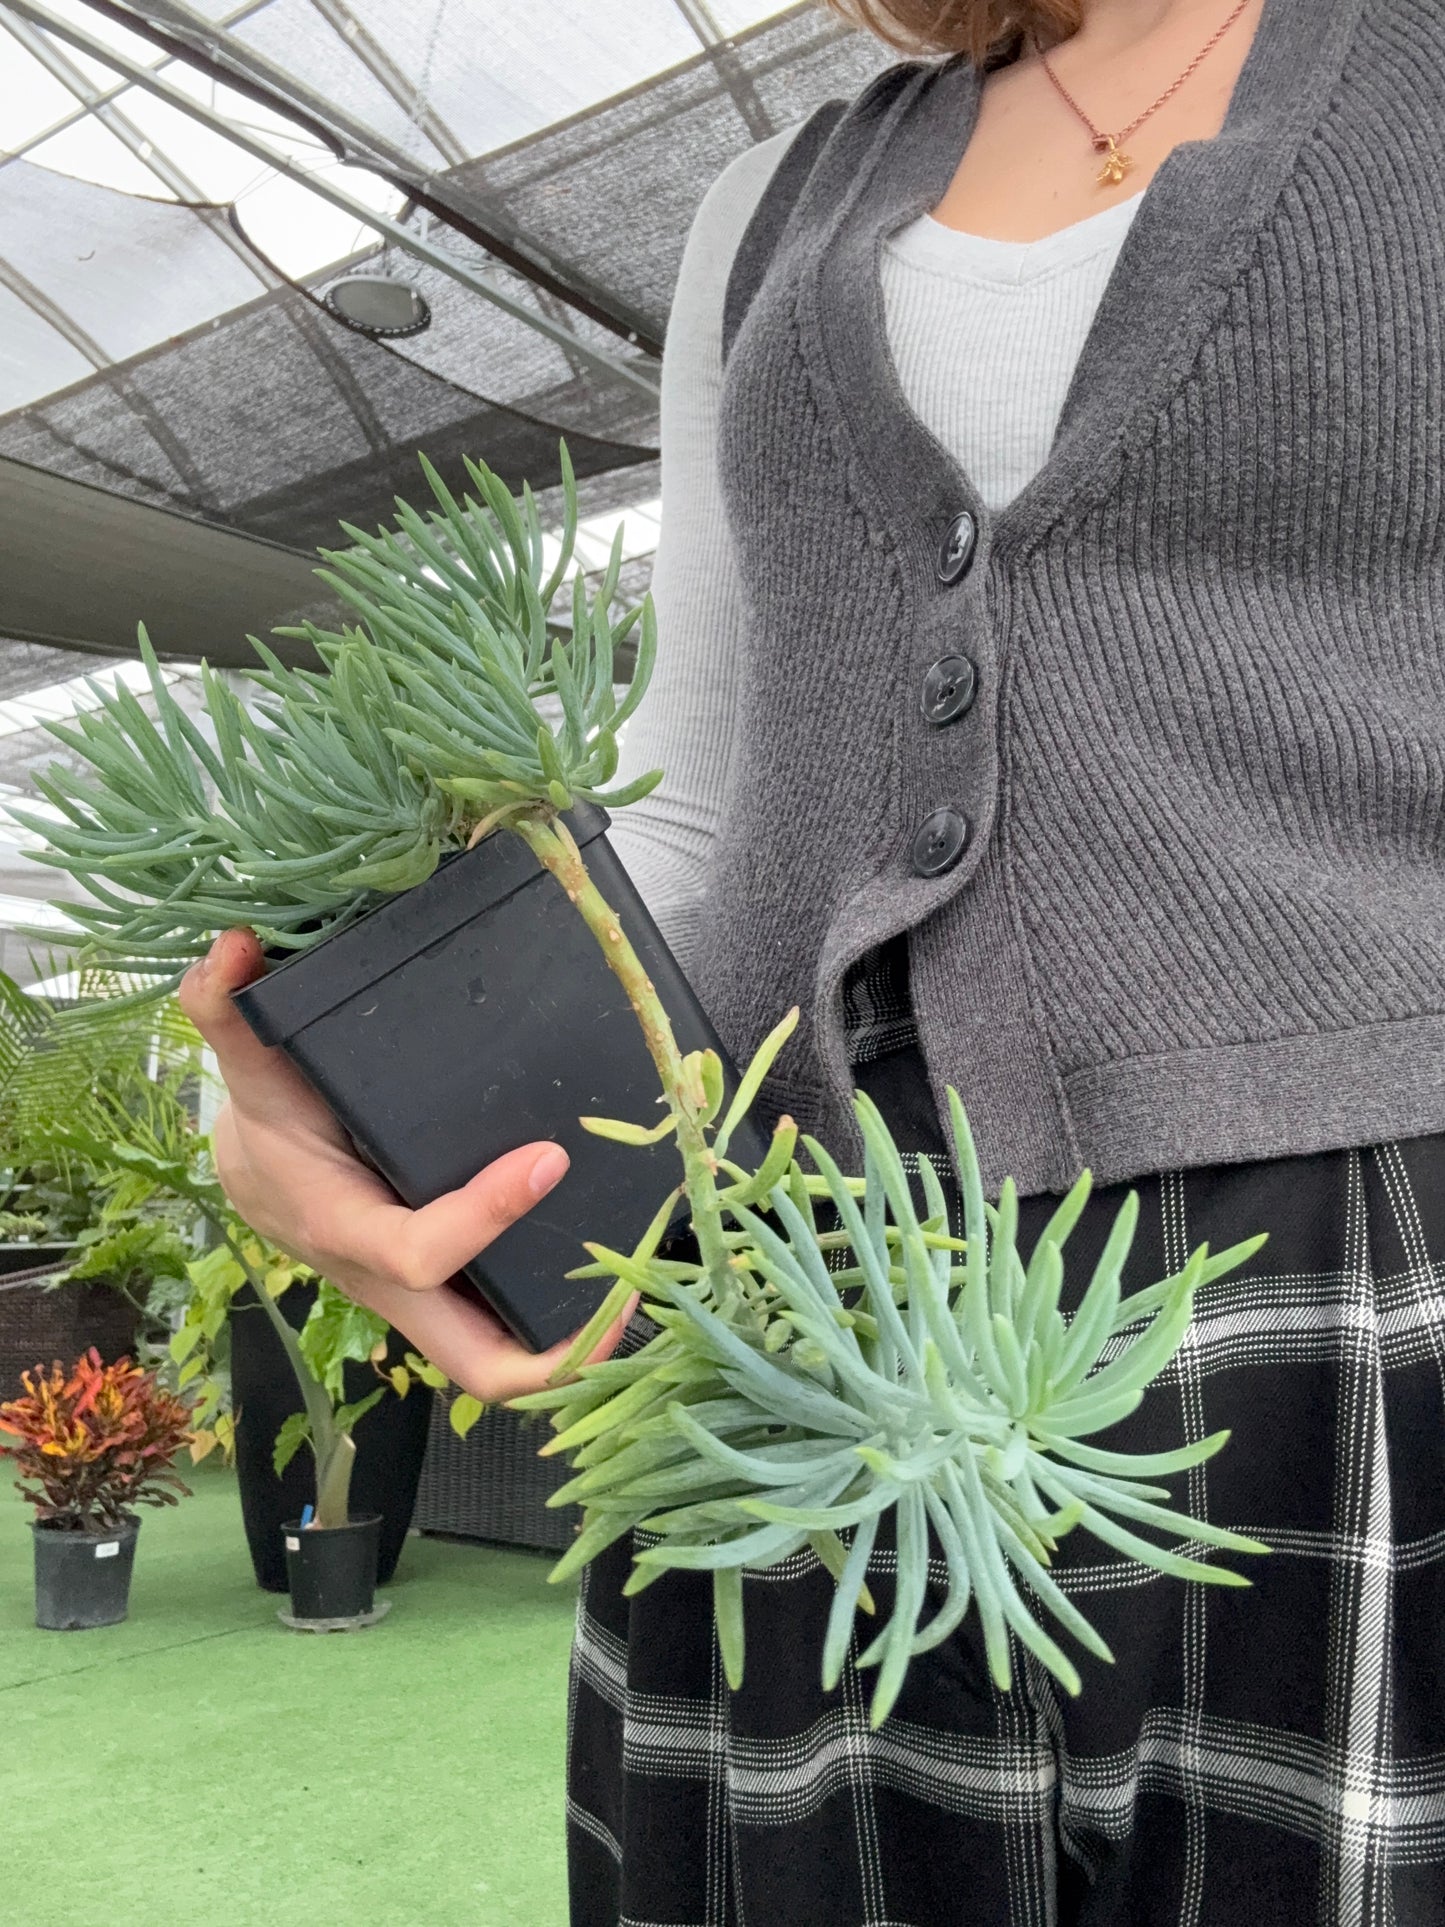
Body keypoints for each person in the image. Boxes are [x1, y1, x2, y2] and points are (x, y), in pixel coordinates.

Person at [181, 0, 1445, 1919]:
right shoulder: (771, 203)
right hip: (788, 1295)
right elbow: (693, 796)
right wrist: (342, 1098)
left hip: (1352, 1268)